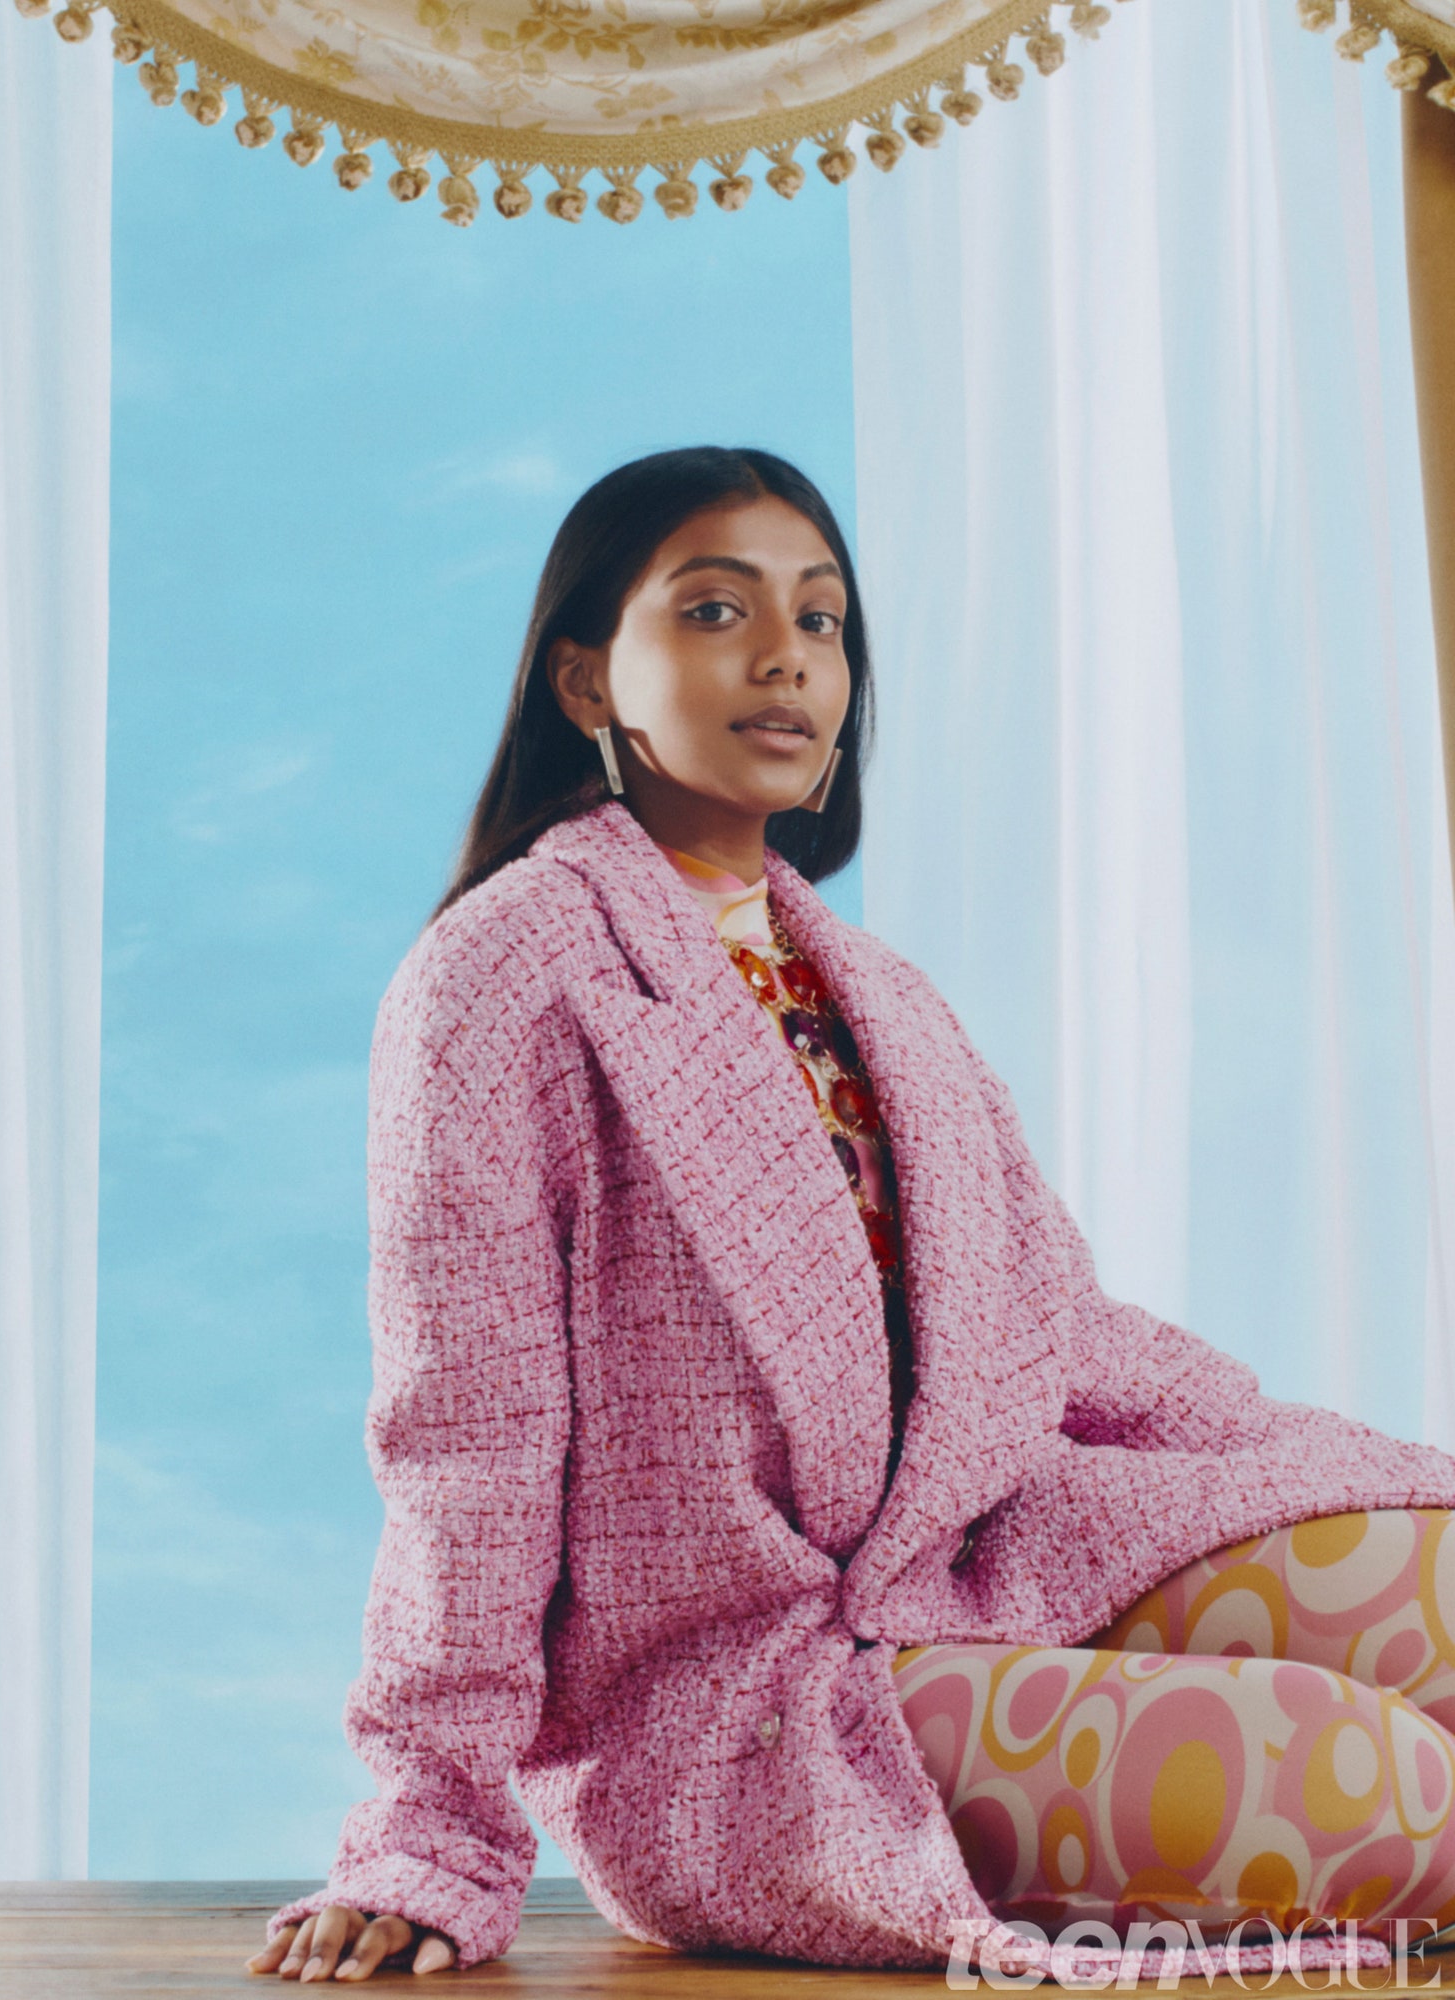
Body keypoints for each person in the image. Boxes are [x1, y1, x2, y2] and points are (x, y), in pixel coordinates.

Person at [248, 447, 1455, 1985]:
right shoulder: (500, 977)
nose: (785, 658)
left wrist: (1310, 1468)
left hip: (991, 1559)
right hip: (743, 1702)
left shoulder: (876, 989)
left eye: (822, 622)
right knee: (1390, 1794)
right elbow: (465, 1442)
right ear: (583, 680)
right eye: (712, 610)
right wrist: (430, 1825)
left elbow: (1060, 1336)